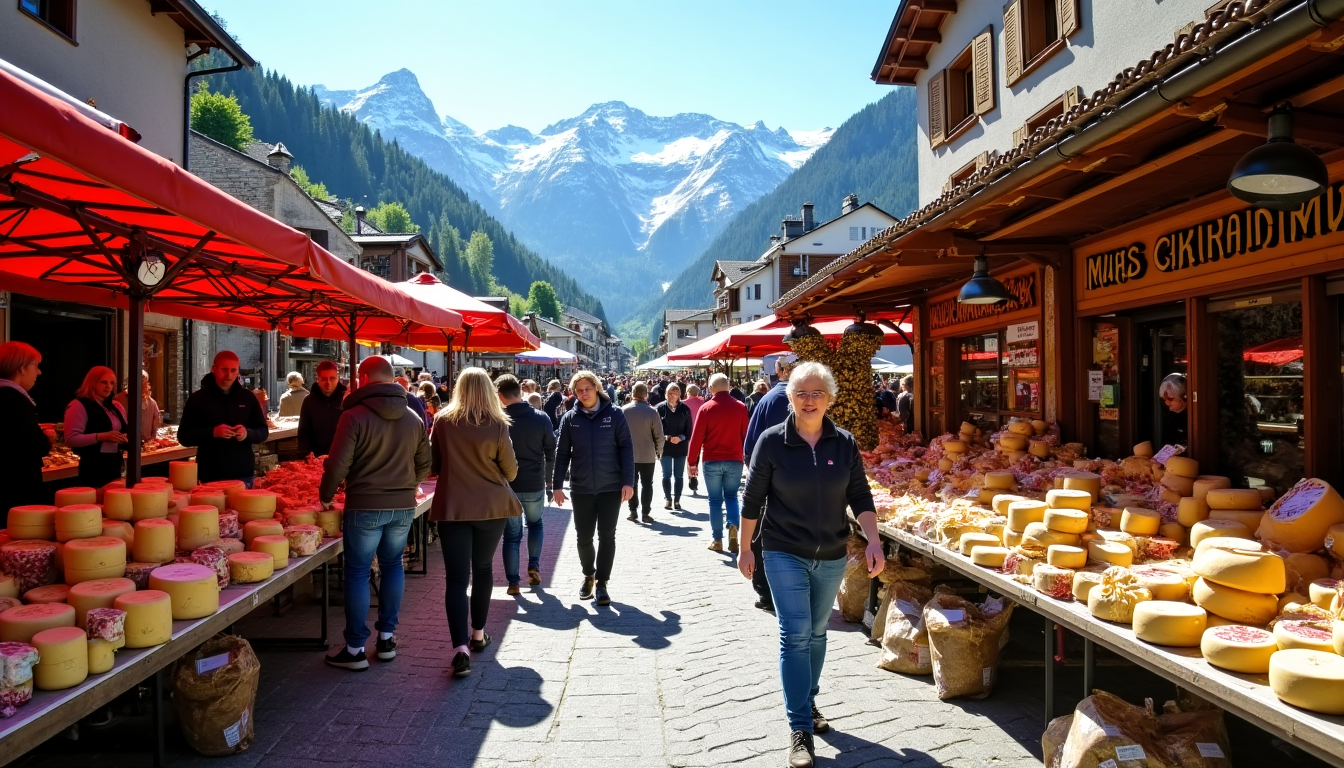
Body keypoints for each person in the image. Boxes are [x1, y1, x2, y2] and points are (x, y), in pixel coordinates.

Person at [738, 361, 884, 768]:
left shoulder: (844, 443)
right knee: (796, 633)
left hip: (832, 554)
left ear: (830, 399)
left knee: (818, 634)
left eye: (817, 392)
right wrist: (745, 547)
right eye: (801, 393)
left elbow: (860, 495)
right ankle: (800, 729)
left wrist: (874, 540)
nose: (809, 400)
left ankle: (809, 700)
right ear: (789, 398)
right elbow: (752, 500)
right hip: (783, 550)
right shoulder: (771, 441)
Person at [321, 355, 431, 671]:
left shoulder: (353, 416)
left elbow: (337, 463)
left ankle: (355, 648)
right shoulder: (413, 417)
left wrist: (326, 496)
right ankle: (386, 638)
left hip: (365, 504)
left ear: (365, 379)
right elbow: (425, 463)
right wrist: (409, 483)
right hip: (402, 507)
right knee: (393, 565)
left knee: (357, 571)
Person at [429, 368, 521, 678]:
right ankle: (478, 635)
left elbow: (434, 465)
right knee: (483, 570)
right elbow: (511, 471)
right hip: (491, 506)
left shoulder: (443, 421)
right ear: (487, 390)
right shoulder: (497, 423)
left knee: (456, 578)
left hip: (453, 506)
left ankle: (459, 649)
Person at [552, 370, 634, 606]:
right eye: (579, 390)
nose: (584, 393)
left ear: (597, 388)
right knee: (583, 537)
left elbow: (626, 448)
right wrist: (557, 485)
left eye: (588, 388)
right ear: (574, 393)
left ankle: (603, 583)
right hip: (582, 488)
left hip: (611, 486)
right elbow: (561, 454)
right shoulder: (570, 418)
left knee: (607, 536)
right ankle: (589, 574)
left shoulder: (615, 414)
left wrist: (628, 481)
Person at [743, 354, 797, 613]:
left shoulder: (767, 400)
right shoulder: (816, 399)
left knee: (764, 535)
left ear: (779, 371)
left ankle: (766, 593)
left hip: (769, 481)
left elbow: (750, 445)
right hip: (804, 483)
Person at [496, 374, 555, 595]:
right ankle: (534, 565)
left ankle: (513, 582)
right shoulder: (541, 418)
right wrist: (550, 481)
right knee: (536, 523)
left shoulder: (499, 420)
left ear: (500, 396)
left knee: (511, 534)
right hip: (534, 481)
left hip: (507, 484)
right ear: (521, 393)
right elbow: (551, 452)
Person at [178, 351, 268, 485]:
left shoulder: (247, 397)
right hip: (210, 475)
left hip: (243, 474)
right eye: (224, 370)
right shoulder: (198, 399)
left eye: (233, 371)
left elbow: (263, 431)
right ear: (213, 369)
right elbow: (184, 437)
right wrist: (213, 432)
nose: (229, 375)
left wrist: (247, 433)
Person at [687, 373, 749, 553]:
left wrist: (692, 462)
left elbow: (696, 438)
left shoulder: (706, 408)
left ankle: (717, 539)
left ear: (711, 388)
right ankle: (733, 526)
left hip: (712, 459)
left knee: (714, 500)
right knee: (731, 496)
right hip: (734, 459)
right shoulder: (740, 407)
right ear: (728, 387)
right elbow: (746, 435)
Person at [0, 342, 53, 524]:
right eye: (36, 366)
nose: (39, 372)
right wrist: (47, 439)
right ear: (22, 368)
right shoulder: (15, 399)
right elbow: (33, 444)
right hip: (16, 485)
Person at [64, 366, 129, 488]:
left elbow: (123, 431)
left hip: (115, 463)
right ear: (92, 383)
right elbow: (71, 439)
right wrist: (101, 436)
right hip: (93, 466)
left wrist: (124, 439)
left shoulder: (113, 406)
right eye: (104, 382)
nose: (108, 386)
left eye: (111, 383)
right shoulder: (78, 405)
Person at [622, 382, 663, 522]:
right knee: (647, 484)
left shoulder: (624, 411)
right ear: (646, 395)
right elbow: (659, 435)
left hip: (628, 456)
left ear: (632, 394)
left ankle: (633, 511)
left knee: (631, 483)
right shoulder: (652, 412)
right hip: (647, 454)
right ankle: (645, 512)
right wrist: (659, 452)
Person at [297, 360, 345, 458]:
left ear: (338, 378)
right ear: (317, 379)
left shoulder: (347, 399)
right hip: (316, 458)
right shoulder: (309, 401)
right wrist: (306, 454)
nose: (328, 383)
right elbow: (304, 432)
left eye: (332, 378)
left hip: (343, 458)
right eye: (324, 379)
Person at [656, 383, 692, 511]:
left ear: (679, 395)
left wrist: (680, 438)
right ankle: (668, 498)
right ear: (666, 394)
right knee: (666, 475)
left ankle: (677, 499)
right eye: (670, 393)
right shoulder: (659, 409)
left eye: (675, 394)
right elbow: (656, 430)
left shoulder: (685, 410)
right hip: (665, 447)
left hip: (680, 447)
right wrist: (667, 437)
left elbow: (689, 431)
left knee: (679, 475)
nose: (672, 396)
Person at [112, 369, 162, 444]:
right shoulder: (119, 399)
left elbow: (156, 425)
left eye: (143, 382)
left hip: (146, 445)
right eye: (138, 381)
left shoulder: (152, 403)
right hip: (125, 444)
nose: (141, 385)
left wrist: (152, 441)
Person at [682, 384, 706, 496]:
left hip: (688, 433)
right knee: (697, 456)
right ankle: (694, 475)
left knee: (689, 457)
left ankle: (691, 476)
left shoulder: (683, 404)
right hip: (701, 433)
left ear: (687, 392)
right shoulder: (703, 403)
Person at [1159, 372, 1188, 447]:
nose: (1166, 402)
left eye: (1170, 399)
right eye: (1164, 399)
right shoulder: (1169, 418)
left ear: (1183, 396)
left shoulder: (1193, 416)